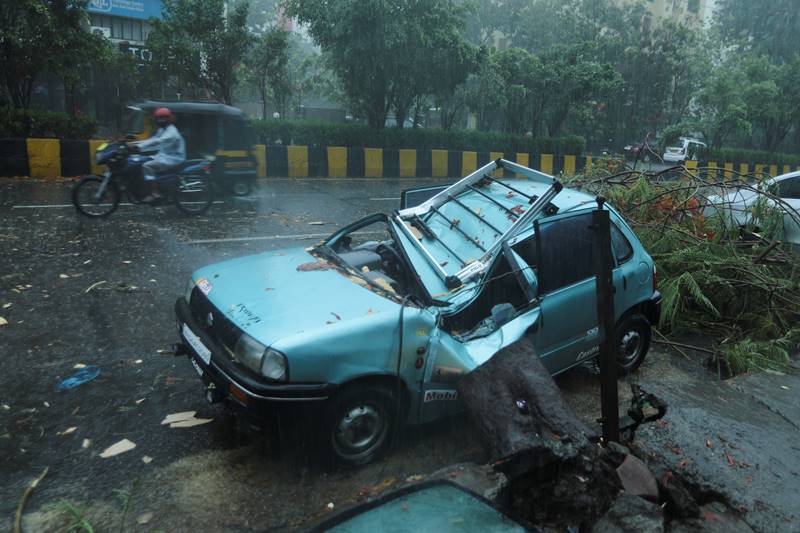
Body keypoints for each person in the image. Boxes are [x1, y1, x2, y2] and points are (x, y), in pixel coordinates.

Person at [133, 107, 186, 202]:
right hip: (164, 155)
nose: (160, 120)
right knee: (139, 160)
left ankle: (154, 192)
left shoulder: (171, 132)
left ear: (169, 118)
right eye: (158, 118)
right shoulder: (162, 130)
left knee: (147, 166)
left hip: (173, 158)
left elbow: (158, 141)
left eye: (163, 118)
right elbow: (152, 140)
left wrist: (139, 147)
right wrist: (134, 144)